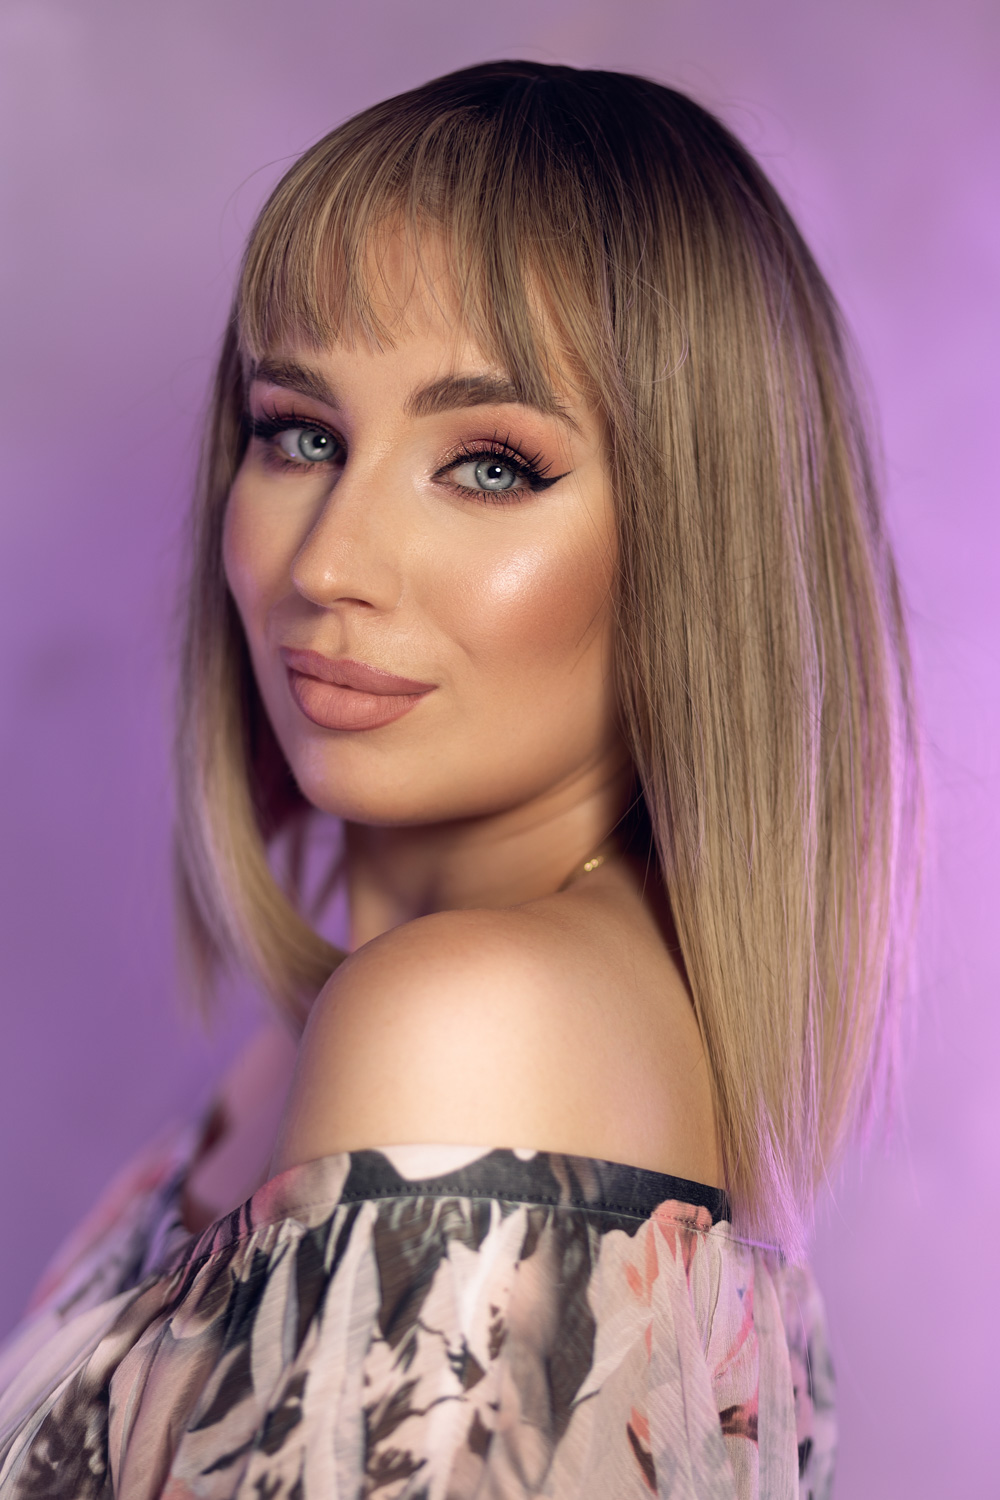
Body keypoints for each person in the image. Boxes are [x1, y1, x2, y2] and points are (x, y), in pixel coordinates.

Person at [0, 60, 922, 1499]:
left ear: (698, 547)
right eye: (301, 434)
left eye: (490, 466)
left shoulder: (469, 1027)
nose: (326, 564)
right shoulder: (350, 1028)